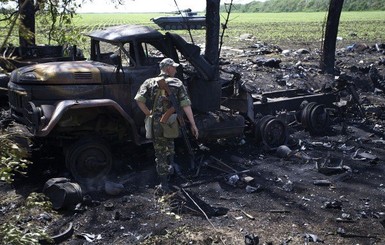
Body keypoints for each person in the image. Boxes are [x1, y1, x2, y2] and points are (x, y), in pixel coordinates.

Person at [134, 58, 198, 192]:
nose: (175, 69)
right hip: (171, 121)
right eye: (174, 67)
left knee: (160, 153)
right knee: (170, 147)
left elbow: (139, 100)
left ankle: (164, 183)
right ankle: (168, 180)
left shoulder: (149, 82)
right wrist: (193, 125)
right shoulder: (177, 82)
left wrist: (149, 114)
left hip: (157, 123)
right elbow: (185, 105)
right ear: (168, 68)